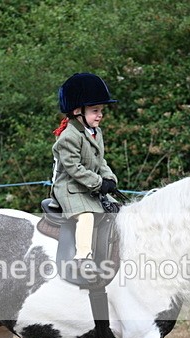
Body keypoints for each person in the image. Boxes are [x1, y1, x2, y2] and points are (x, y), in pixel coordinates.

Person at [51, 72, 119, 272]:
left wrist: (109, 178)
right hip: (70, 188)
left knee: (118, 212)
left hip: (90, 186)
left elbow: (100, 160)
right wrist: (99, 183)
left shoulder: (96, 132)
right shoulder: (69, 136)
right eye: (95, 110)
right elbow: (74, 168)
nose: (100, 115)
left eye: (101, 110)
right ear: (77, 111)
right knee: (87, 216)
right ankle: (82, 257)